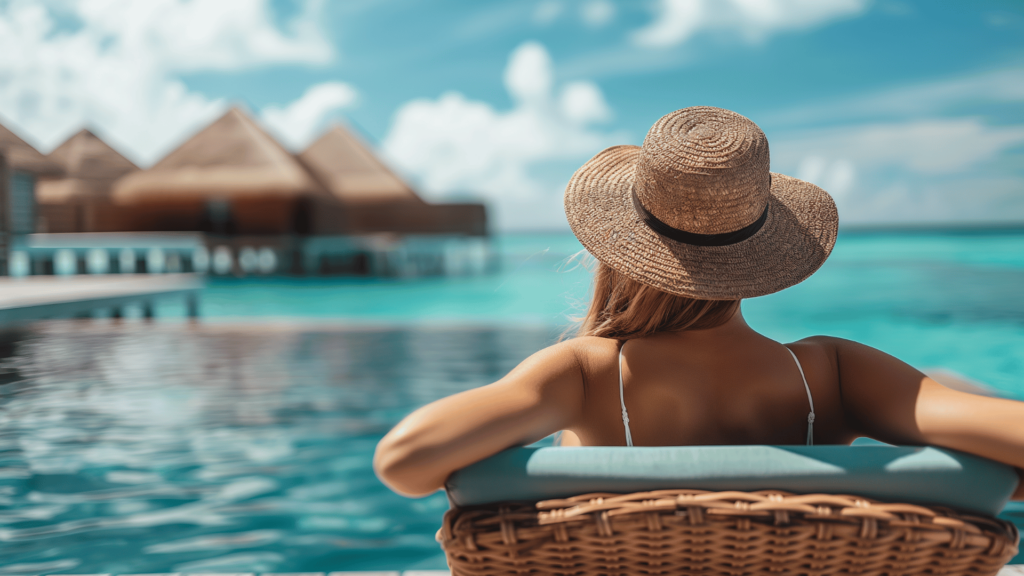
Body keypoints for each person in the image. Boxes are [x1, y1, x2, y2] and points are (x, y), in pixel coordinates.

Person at [374, 106, 1024, 499]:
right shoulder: (833, 373)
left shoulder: (584, 372)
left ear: (617, 251)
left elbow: (404, 461)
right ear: (759, 249)